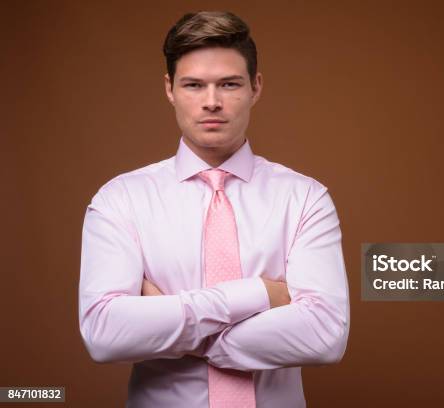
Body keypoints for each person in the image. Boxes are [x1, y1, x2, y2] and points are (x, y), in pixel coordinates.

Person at [78, 10, 350, 408]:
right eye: (193, 85)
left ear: (255, 87)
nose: (211, 102)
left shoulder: (305, 198)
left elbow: (326, 336)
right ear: (170, 89)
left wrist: (170, 324)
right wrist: (257, 294)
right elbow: (104, 335)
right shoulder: (119, 201)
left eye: (229, 84)